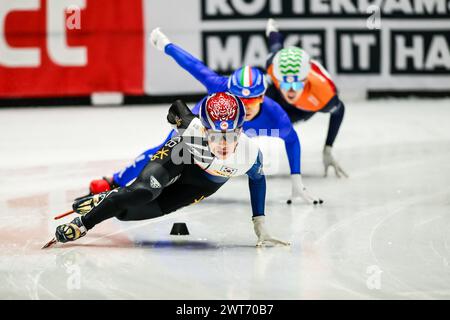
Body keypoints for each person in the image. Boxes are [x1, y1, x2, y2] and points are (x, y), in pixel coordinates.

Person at [89, 28, 323, 206]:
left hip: (227, 139)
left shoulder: (276, 117)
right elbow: (193, 66)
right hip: (204, 124)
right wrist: (165, 44)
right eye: (239, 99)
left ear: (263, 97)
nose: (244, 105)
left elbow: (292, 140)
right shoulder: (219, 86)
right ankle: (115, 180)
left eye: (251, 100)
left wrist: (296, 181)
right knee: (167, 150)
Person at [53, 93, 290, 248]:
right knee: (143, 192)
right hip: (181, 155)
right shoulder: (193, 128)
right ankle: (82, 224)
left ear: (241, 130)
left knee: (125, 213)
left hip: (202, 184)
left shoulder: (251, 155)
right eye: (216, 136)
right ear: (205, 131)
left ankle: (110, 198)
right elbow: (177, 107)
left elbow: (257, 180)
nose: (224, 144)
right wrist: (175, 120)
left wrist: (259, 222)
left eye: (232, 135)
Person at [265, 19, 348, 178]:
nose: (290, 90)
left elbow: (339, 110)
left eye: (296, 85)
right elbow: (275, 46)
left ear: (305, 80)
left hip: (305, 107)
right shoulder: (273, 67)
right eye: (286, 84)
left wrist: (328, 147)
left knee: (278, 126)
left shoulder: (323, 94)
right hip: (276, 94)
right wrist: (272, 31)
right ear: (277, 77)